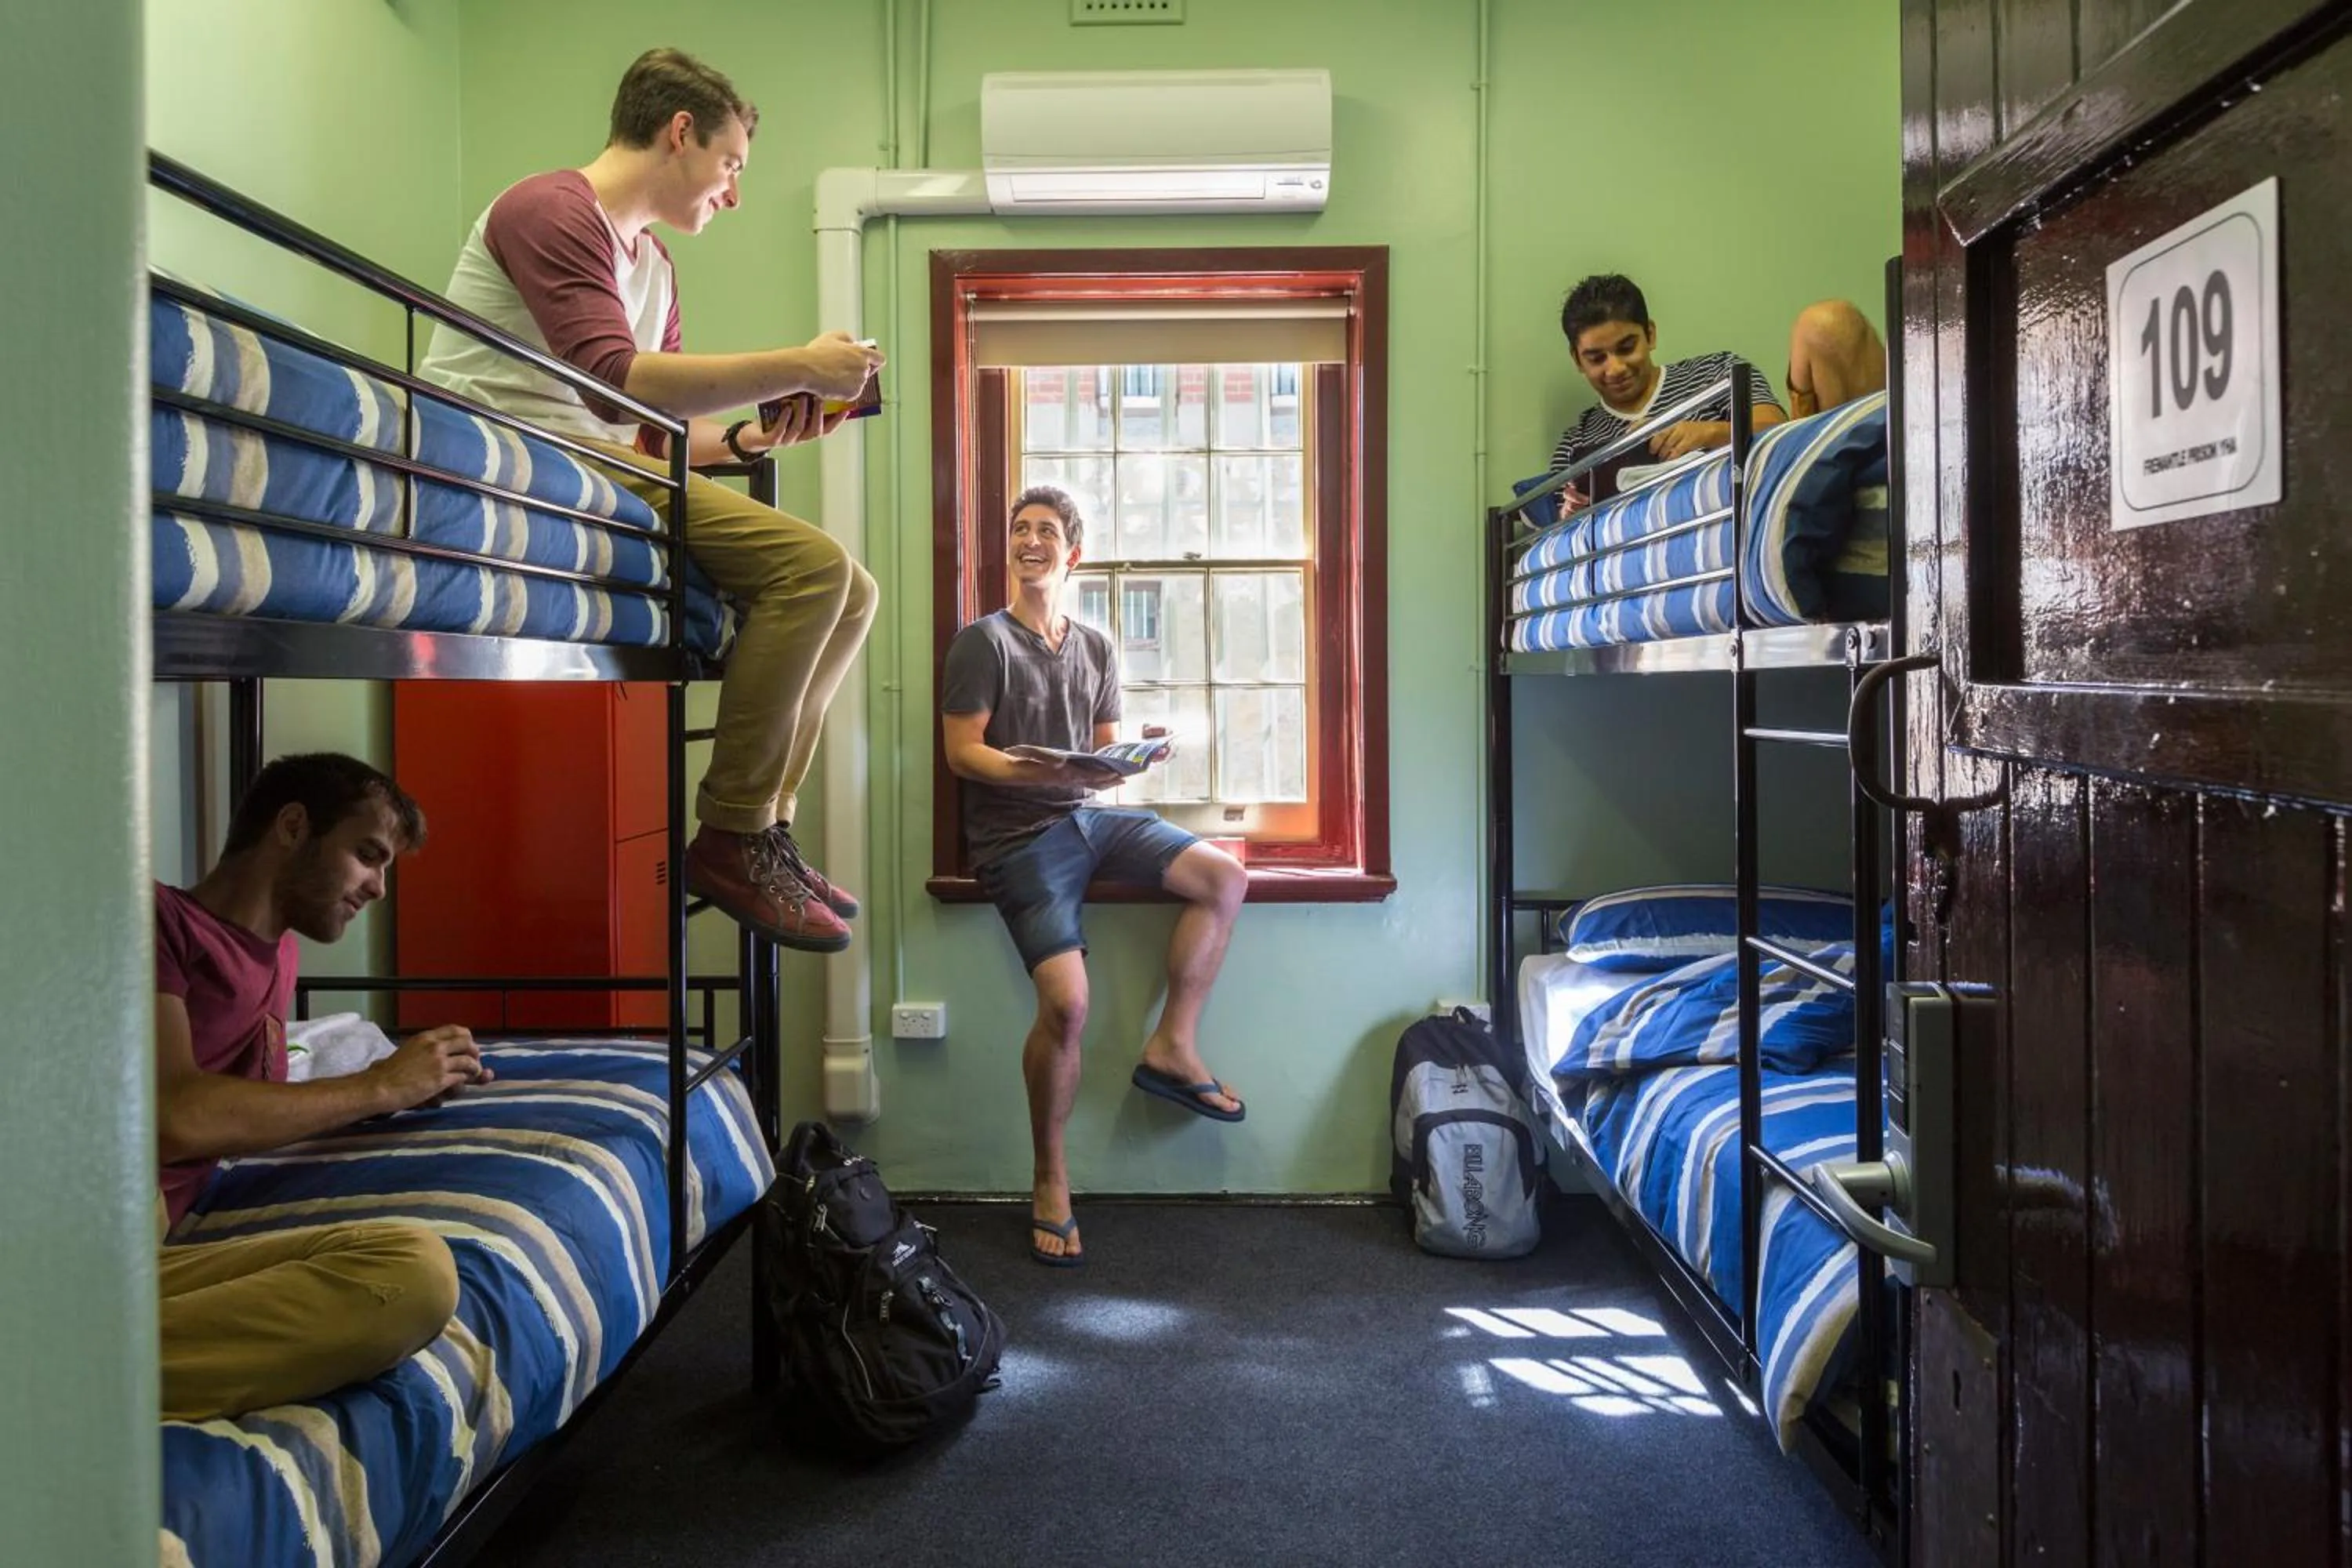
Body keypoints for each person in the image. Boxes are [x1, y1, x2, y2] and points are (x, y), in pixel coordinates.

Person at [417, 47, 886, 954]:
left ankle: (766, 824)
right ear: (681, 134)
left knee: (852, 590)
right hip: (516, 456)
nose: (735, 192)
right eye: (733, 165)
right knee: (812, 566)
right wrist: (799, 359)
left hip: (596, 458)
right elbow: (611, 381)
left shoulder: (656, 267)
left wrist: (752, 438)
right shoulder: (549, 210)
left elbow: (646, 428)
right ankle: (734, 830)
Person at [940, 487, 1250, 1268]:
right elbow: (961, 754)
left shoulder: (1100, 645)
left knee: (1223, 875)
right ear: (1008, 549)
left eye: (1047, 530)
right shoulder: (981, 643)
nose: (1031, 539)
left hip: (1090, 819)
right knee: (1069, 1006)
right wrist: (1024, 763)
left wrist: (1137, 753)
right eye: (1019, 529)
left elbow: (1105, 760)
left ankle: (1172, 1046)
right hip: (1019, 838)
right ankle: (1050, 1173)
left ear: (1072, 553)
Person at [155, 753, 491, 1421]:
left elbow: (243, 1103)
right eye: (368, 855)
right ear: (291, 826)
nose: (378, 888)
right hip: (83, 1229)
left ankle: (78, 1371)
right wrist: (379, 1086)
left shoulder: (281, 954)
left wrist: (409, 1083)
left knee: (413, 1271)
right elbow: (174, 1115)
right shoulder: (156, 921)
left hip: (156, 1260)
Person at [1548, 273, 1885, 503]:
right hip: (1670, 539)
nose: (1616, 368)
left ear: (1650, 335)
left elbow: (1781, 432)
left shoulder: (1717, 373)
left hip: (1761, 501)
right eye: (1596, 358)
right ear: (1578, 360)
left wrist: (1708, 434)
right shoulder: (1578, 442)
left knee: (1831, 323)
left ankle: (1876, 501)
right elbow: (1557, 529)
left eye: (1626, 348)